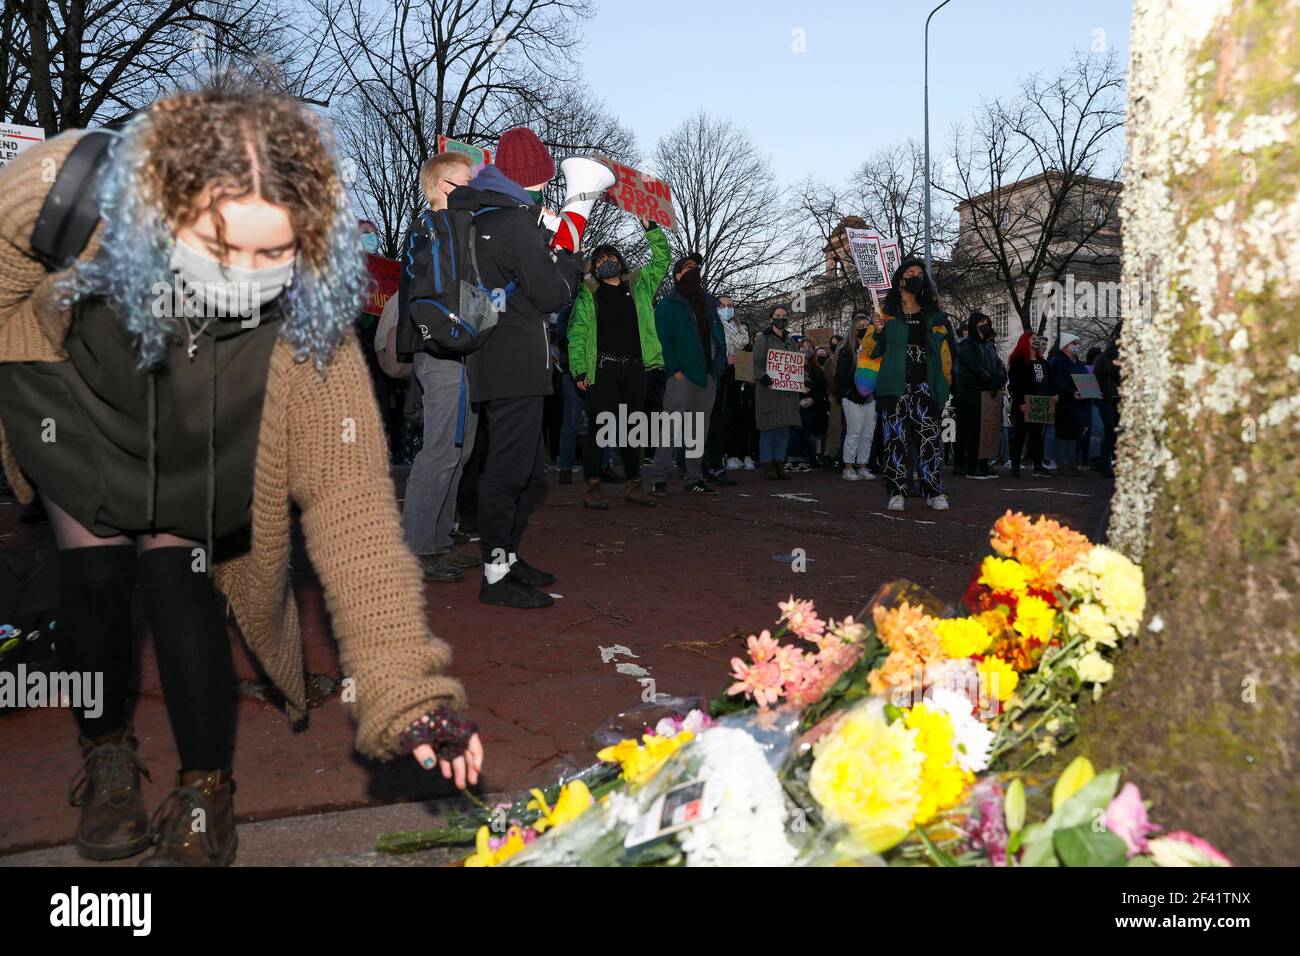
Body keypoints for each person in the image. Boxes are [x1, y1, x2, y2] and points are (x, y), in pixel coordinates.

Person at [0, 85, 482, 866]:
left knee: (179, 573)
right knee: (92, 575)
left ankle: (205, 790)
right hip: (75, 380)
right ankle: (108, 757)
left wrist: (411, 697)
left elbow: (355, 515)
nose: (246, 279)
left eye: (275, 254)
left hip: (194, 401)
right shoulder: (62, 189)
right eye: (223, 247)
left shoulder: (302, 311)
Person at [448, 128, 582, 608]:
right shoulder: (512, 223)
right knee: (509, 471)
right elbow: (551, 295)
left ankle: (506, 558)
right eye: (545, 180)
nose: (548, 189)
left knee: (524, 469)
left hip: (493, 359)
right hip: (517, 363)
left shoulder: (482, 214)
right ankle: (496, 576)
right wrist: (570, 260)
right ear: (532, 180)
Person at [397, 151, 481, 584]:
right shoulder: (430, 228)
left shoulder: (453, 229)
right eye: (466, 182)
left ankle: (438, 537)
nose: (475, 189)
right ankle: (416, 547)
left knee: (459, 449)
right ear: (442, 187)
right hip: (443, 354)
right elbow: (438, 286)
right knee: (440, 449)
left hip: (464, 354)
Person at [567, 217, 668, 509]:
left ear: (622, 263)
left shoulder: (640, 284)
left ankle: (634, 486)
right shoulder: (588, 295)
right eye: (599, 259)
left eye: (611, 257)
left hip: (636, 368)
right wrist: (579, 369)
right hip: (602, 370)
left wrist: (651, 229)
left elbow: (662, 259)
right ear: (594, 268)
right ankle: (592, 486)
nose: (605, 262)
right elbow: (577, 333)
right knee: (599, 428)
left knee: (632, 428)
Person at [869, 259, 955, 511]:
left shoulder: (934, 316)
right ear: (900, 280)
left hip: (925, 387)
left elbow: (945, 354)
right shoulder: (886, 314)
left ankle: (934, 491)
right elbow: (871, 352)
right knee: (894, 442)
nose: (917, 277)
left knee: (930, 441)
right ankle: (896, 491)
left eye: (920, 274)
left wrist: (945, 383)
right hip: (894, 387)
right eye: (911, 273)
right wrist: (877, 331)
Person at [650, 254, 726, 495]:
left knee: (698, 431)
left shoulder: (709, 304)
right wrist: (675, 370)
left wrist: (716, 372)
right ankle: (659, 477)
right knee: (670, 428)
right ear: (677, 275)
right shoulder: (668, 304)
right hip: (681, 378)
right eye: (688, 267)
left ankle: (694, 477)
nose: (694, 269)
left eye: (696, 266)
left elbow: (719, 338)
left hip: (707, 377)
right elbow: (663, 339)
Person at [954, 311, 1006, 479]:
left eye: (987, 322)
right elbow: (973, 366)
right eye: (982, 322)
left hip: (990, 391)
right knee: (973, 429)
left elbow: (999, 365)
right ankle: (971, 465)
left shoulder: (990, 346)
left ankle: (983, 464)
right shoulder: (966, 345)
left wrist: (999, 378)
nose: (985, 325)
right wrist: (989, 380)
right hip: (972, 392)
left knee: (988, 429)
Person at [753, 306, 803, 480]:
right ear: (770, 319)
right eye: (778, 316)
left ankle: (779, 464)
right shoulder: (763, 339)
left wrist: (805, 380)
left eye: (784, 316)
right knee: (768, 430)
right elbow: (756, 363)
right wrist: (763, 377)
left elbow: (798, 366)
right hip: (769, 391)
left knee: (783, 431)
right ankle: (767, 466)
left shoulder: (791, 342)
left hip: (787, 394)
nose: (781, 318)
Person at [704, 294, 747, 485]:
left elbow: (744, 351)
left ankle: (717, 464)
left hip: (733, 380)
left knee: (726, 423)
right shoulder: (712, 327)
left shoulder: (741, 330)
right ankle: (711, 466)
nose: (727, 308)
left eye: (730, 305)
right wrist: (722, 360)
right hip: (717, 377)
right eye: (722, 305)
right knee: (714, 424)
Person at [835, 311, 879, 481]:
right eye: (860, 327)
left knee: (868, 433)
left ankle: (863, 465)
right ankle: (848, 467)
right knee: (854, 432)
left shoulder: (874, 349)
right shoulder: (846, 350)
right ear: (854, 329)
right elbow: (841, 377)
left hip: (870, 397)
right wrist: (847, 394)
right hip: (852, 397)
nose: (863, 329)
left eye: (866, 326)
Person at [1007, 330, 1054, 478]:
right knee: (1020, 435)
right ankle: (1015, 465)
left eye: (1037, 339)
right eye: (1033, 338)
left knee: (1037, 436)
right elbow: (1014, 384)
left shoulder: (1043, 363)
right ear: (1025, 341)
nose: (1036, 341)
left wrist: (1052, 396)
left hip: (1040, 403)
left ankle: (1038, 466)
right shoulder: (1018, 361)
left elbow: (1049, 382)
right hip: (1024, 403)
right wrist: (1020, 402)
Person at [1048, 332, 1091, 477]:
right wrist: (1071, 393)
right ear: (1065, 346)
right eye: (1075, 343)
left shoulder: (1079, 363)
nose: (1078, 346)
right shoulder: (1057, 362)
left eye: (1078, 343)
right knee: (1062, 434)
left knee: (1074, 434)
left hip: (1078, 404)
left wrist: (1092, 392)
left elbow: (1087, 380)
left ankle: (1072, 463)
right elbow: (1057, 382)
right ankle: (1062, 465)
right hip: (1064, 403)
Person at [1093, 321, 1122, 478]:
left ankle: (1116, 463)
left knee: (1118, 432)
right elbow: (1101, 375)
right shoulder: (1108, 355)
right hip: (1108, 398)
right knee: (1110, 432)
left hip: (1119, 397)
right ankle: (1106, 465)